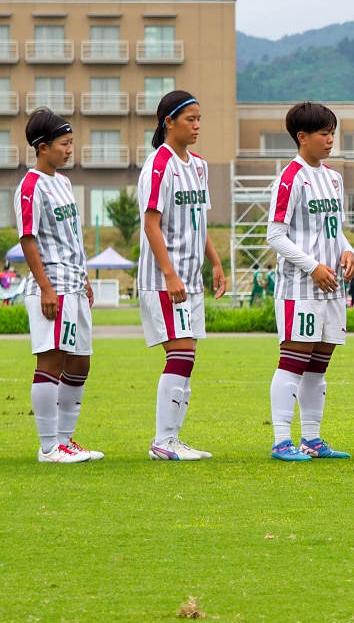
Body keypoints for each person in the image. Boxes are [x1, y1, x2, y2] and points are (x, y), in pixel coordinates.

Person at [137, 91, 228, 462]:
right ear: (168, 122)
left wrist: (215, 262)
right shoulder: (158, 164)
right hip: (164, 279)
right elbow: (151, 224)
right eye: (190, 118)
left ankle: (172, 438)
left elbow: (198, 221)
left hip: (191, 279)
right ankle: (163, 441)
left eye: (199, 118)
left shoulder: (200, 166)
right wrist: (170, 274)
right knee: (181, 353)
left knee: (187, 358)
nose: (197, 125)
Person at [266, 102, 354, 461]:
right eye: (323, 133)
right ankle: (281, 440)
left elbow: (334, 229)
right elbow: (275, 235)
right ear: (302, 137)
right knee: (293, 361)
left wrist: (347, 250)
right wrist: (313, 266)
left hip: (331, 286)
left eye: (332, 132)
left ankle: (312, 439)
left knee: (319, 364)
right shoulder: (290, 178)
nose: (330, 139)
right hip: (299, 287)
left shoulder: (333, 178)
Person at [15, 108, 101, 463]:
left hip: (74, 286)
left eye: (70, 142)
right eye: (64, 143)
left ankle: (66, 440)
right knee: (51, 363)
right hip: (52, 288)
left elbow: (72, 236)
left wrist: (84, 278)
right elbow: (27, 239)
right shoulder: (30, 186)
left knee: (80, 364)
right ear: (42, 147)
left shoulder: (63, 182)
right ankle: (49, 446)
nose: (69, 149)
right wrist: (46, 288)